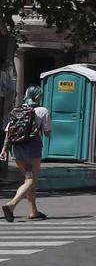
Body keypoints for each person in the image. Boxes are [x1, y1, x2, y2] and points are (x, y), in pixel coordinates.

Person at [3, 85, 52, 222]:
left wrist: (4, 150)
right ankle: (11, 205)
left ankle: (33, 211)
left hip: (17, 149)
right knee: (32, 180)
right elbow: (47, 133)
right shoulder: (42, 110)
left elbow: (9, 132)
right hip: (33, 148)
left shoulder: (17, 110)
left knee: (28, 180)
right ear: (38, 97)